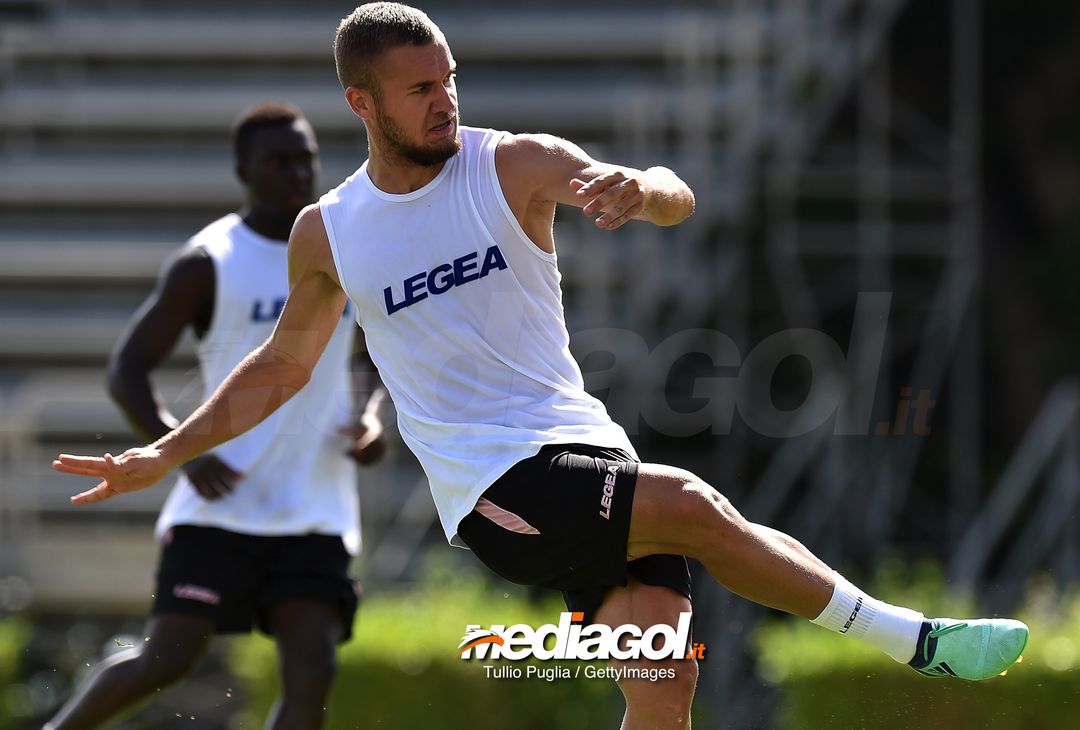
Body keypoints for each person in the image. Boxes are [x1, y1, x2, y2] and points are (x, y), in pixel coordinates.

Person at [52, 5, 1027, 728]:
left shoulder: (513, 163)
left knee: (664, 694)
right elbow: (280, 368)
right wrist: (162, 454)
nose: (446, 101)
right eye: (421, 90)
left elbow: (676, 194)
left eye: (451, 79)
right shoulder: (330, 231)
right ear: (363, 101)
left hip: (586, 450)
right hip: (496, 491)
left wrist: (637, 188)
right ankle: (917, 640)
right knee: (688, 500)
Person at [45, 101, 386, 730]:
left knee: (313, 672)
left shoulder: (346, 249)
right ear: (242, 169)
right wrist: (186, 453)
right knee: (165, 662)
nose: (296, 173)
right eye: (278, 161)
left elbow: (371, 353)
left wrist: (368, 416)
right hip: (220, 508)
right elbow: (127, 370)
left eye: (305, 158)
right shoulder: (209, 261)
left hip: (314, 508)